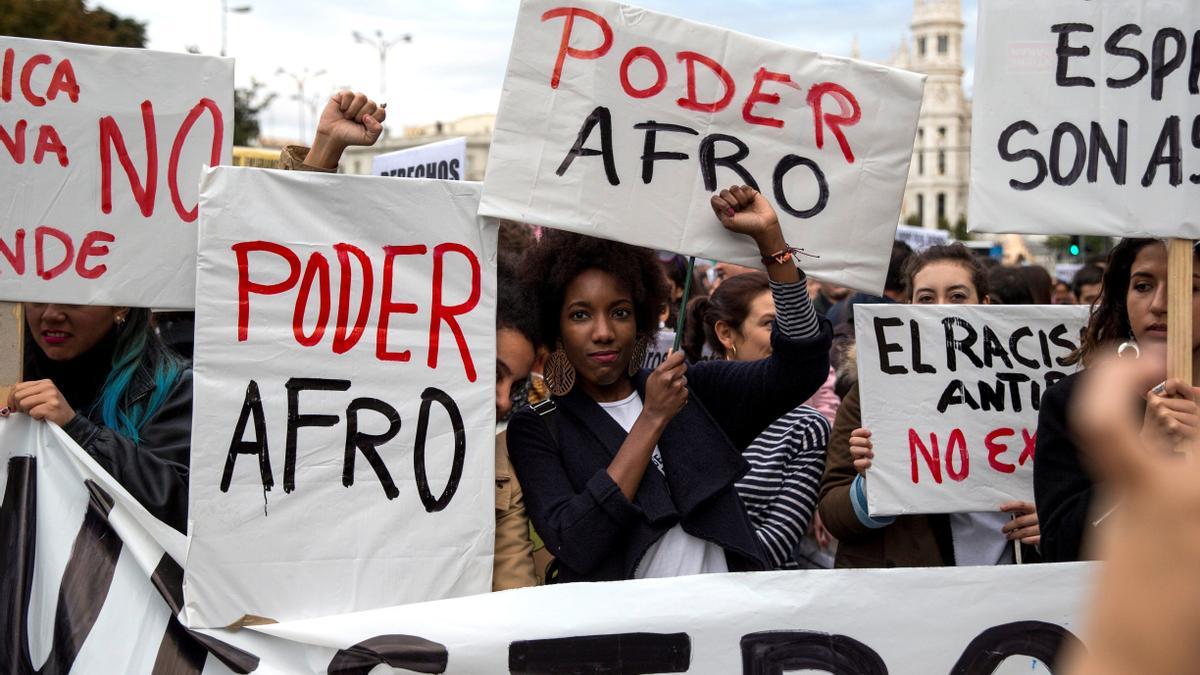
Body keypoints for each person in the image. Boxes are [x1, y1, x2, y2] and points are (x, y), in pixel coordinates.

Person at [507, 185, 831, 583]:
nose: (604, 332)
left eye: (620, 312)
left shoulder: (692, 391)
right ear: (554, 328)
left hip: (725, 626)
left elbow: (801, 369)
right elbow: (575, 541)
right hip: (622, 640)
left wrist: (772, 244)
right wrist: (653, 418)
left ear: (642, 319)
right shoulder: (538, 428)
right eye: (580, 315)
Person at [818, 243, 1040, 567]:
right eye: (926, 298)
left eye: (957, 297)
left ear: (985, 304)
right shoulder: (873, 392)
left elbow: (1080, 491)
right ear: (909, 307)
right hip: (914, 593)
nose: (941, 309)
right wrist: (874, 484)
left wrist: (1048, 518)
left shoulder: (1031, 388)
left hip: (1015, 583)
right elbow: (834, 514)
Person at [1035, 239, 1200, 563]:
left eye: (1189, 287)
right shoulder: (1074, 404)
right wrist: (1139, 456)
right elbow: (1061, 547)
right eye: (1142, 285)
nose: (1160, 304)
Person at [682, 272, 831, 569]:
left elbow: (774, 546)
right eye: (770, 325)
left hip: (759, 598)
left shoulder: (806, 428)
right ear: (726, 333)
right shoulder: (681, 405)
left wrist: (695, 563)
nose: (783, 336)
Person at [9, 304, 192, 532]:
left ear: (121, 307)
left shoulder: (174, 387)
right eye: (37, 298)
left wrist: (77, 430)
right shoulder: (9, 375)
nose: (51, 315)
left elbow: (183, 510)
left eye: (72, 299)